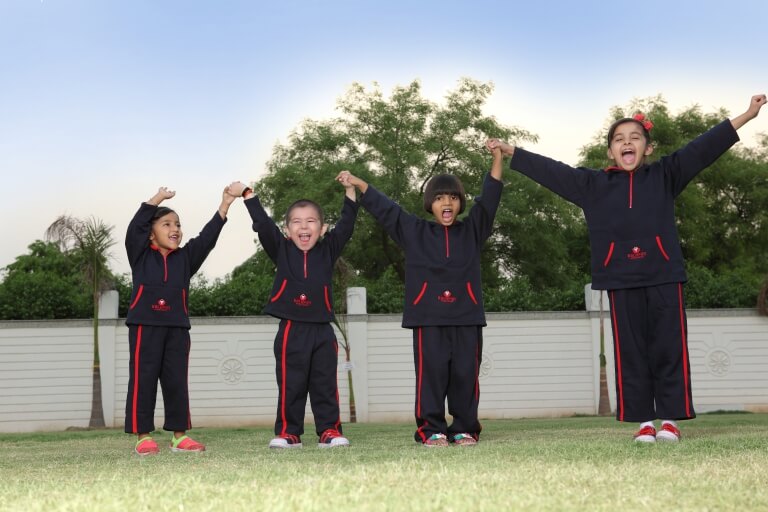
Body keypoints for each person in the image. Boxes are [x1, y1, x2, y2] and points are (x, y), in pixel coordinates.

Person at [490, 93, 766, 443]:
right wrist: (513, 151)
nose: (627, 143)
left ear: (648, 148)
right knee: (631, 354)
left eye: (635, 137)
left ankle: (670, 421)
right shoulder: (592, 185)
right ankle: (644, 423)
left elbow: (703, 147)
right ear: (610, 152)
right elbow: (553, 171)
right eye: (619, 139)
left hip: (664, 276)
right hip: (620, 279)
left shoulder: (666, 174)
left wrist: (748, 114)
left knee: (669, 350)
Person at [337, 141, 504, 447]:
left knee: (466, 375)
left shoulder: (473, 230)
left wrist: (497, 157)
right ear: (430, 203)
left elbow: (490, 198)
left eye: (453, 197)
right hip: (428, 317)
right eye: (439, 198)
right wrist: (359, 184)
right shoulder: (414, 231)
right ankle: (431, 429)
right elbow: (387, 210)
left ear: (460, 203)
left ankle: (465, 428)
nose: (447, 203)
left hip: (466, 317)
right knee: (431, 377)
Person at [227, 177, 358, 449]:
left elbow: (347, 225)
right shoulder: (281, 248)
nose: (304, 227)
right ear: (287, 230)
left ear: (322, 229)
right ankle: (289, 433)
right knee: (291, 385)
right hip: (291, 330)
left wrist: (349, 190)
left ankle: (329, 431)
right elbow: (263, 225)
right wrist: (247, 194)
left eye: (311, 221)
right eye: (296, 222)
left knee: (325, 384)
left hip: (322, 330)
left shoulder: (329, 249)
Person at [125, 186, 239, 455]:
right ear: (151, 233)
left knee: (176, 381)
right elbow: (135, 228)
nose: (175, 229)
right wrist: (156, 199)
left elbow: (207, 238)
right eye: (166, 224)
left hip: (177, 328)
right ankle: (143, 437)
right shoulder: (140, 255)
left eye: (177, 224)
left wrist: (225, 204)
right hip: (145, 326)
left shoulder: (185, 259)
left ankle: (179, 436)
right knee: (143, 380)